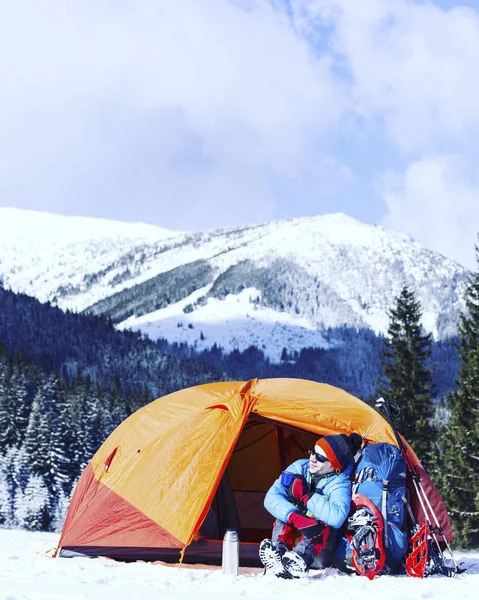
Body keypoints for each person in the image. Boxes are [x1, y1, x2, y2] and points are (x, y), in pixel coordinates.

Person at [259, 432, 362, 578]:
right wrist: (294, 516)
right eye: (313, 452)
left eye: (320, 458)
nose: (312, 459)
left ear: (334, 466)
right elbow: (270, 497)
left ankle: (301, 557)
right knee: (287, 505)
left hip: (320, 550)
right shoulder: (301, 466)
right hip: (295, 533)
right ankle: (278, 551)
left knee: (323, 517)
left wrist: (308, 497)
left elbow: (337, 517)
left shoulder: (340, 483)